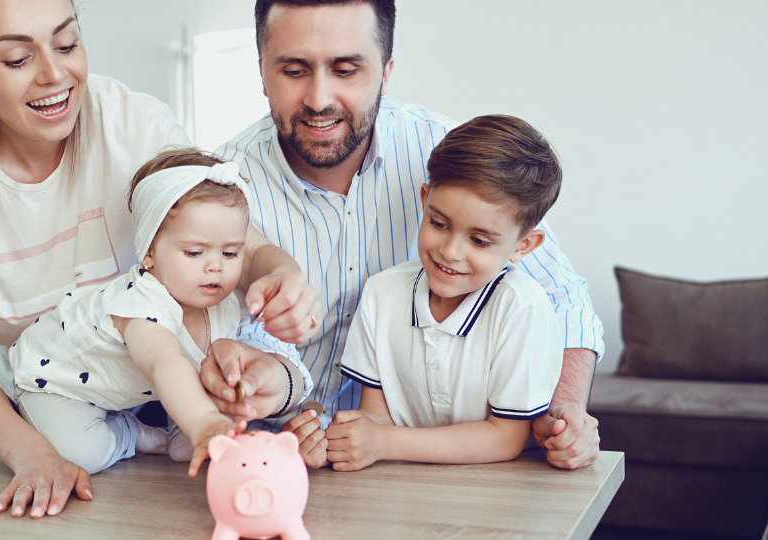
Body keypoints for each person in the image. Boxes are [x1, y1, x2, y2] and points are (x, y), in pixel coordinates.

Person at [0, 0, 318, 519]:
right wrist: (36, 457)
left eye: (67, 43)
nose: (55, 75)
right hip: (56, 395)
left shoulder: (133, 122)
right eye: (16, 60)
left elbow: (238, 242)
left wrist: (279, 272)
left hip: (154, 389)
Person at [202, 0, 603, 471]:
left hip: (421, 464)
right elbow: (207, 334)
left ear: (386, 71)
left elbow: (564, 297)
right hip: (267, 459)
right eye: (293, 70)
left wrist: (566, 412)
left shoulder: (448, 154)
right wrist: (278, 405)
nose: (318, 99)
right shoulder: (221, 185)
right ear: (262, 71)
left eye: (346, 69)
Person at [321, 115, 564, 470]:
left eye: (479, 241)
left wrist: (384, 442)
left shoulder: (522, 308)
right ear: (424, 200)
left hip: (494, 495)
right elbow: (375, 415)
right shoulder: (381, 293)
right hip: (399, 489)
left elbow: (506, 436)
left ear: (524, 245)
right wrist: (345, 439)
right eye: (438, 223)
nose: (450, 251)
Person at [12, 149, 265, 477]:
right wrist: (203, 421)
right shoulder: (141, 303)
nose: (216, 266)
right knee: (80, 455)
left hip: (127, 387)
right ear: (148, 253)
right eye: (194, 252)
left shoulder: (224, 302)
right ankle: (132, 433)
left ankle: (179, 430)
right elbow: (165, 362)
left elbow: (198, 369)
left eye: (230, 252)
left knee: (198, 429)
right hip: (55, 383)